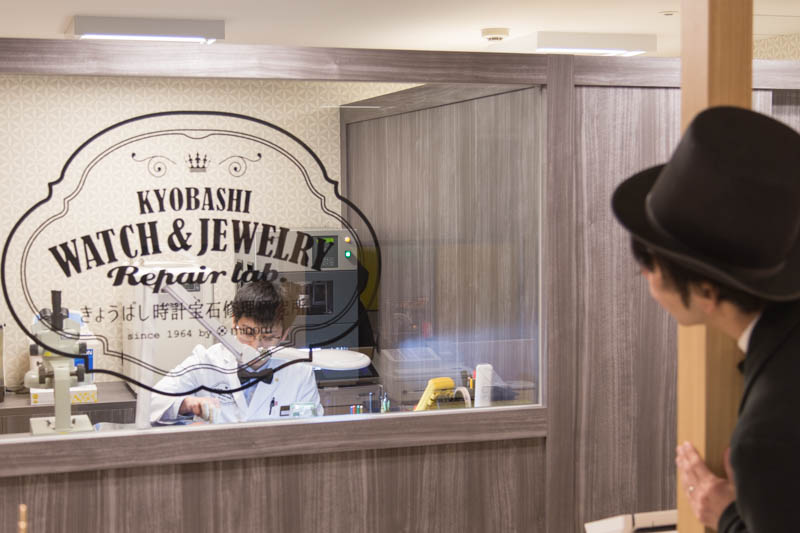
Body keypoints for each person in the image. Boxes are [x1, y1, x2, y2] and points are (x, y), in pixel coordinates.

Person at [611, 106, 800, 532]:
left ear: (707, 291)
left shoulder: (765, 437)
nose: (645, 276)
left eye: (651, 266)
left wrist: (728, 517)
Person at [150, 280, 323, 425]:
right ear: (234, 322)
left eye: (268, 337)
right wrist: (187, 404)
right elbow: (152, 401)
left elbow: (311, 430)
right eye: (247, 333)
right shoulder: (206, 361)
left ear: (284, 334)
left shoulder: (300, 371)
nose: (255, 346)